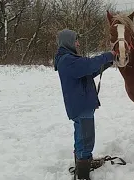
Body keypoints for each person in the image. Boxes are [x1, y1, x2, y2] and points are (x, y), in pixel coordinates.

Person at [54, 29, 115, 180]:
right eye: (76, 41)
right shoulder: (68, 60)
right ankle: (82, 173)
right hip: (81, 106)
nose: (78, 43)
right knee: (86, 139)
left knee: (81, 137)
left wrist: (109, 62)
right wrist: (109, 55)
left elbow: (89, 71)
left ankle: (83, 162)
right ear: (68, 41)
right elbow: (89, 64)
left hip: (80, 105)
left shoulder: (68, 59)